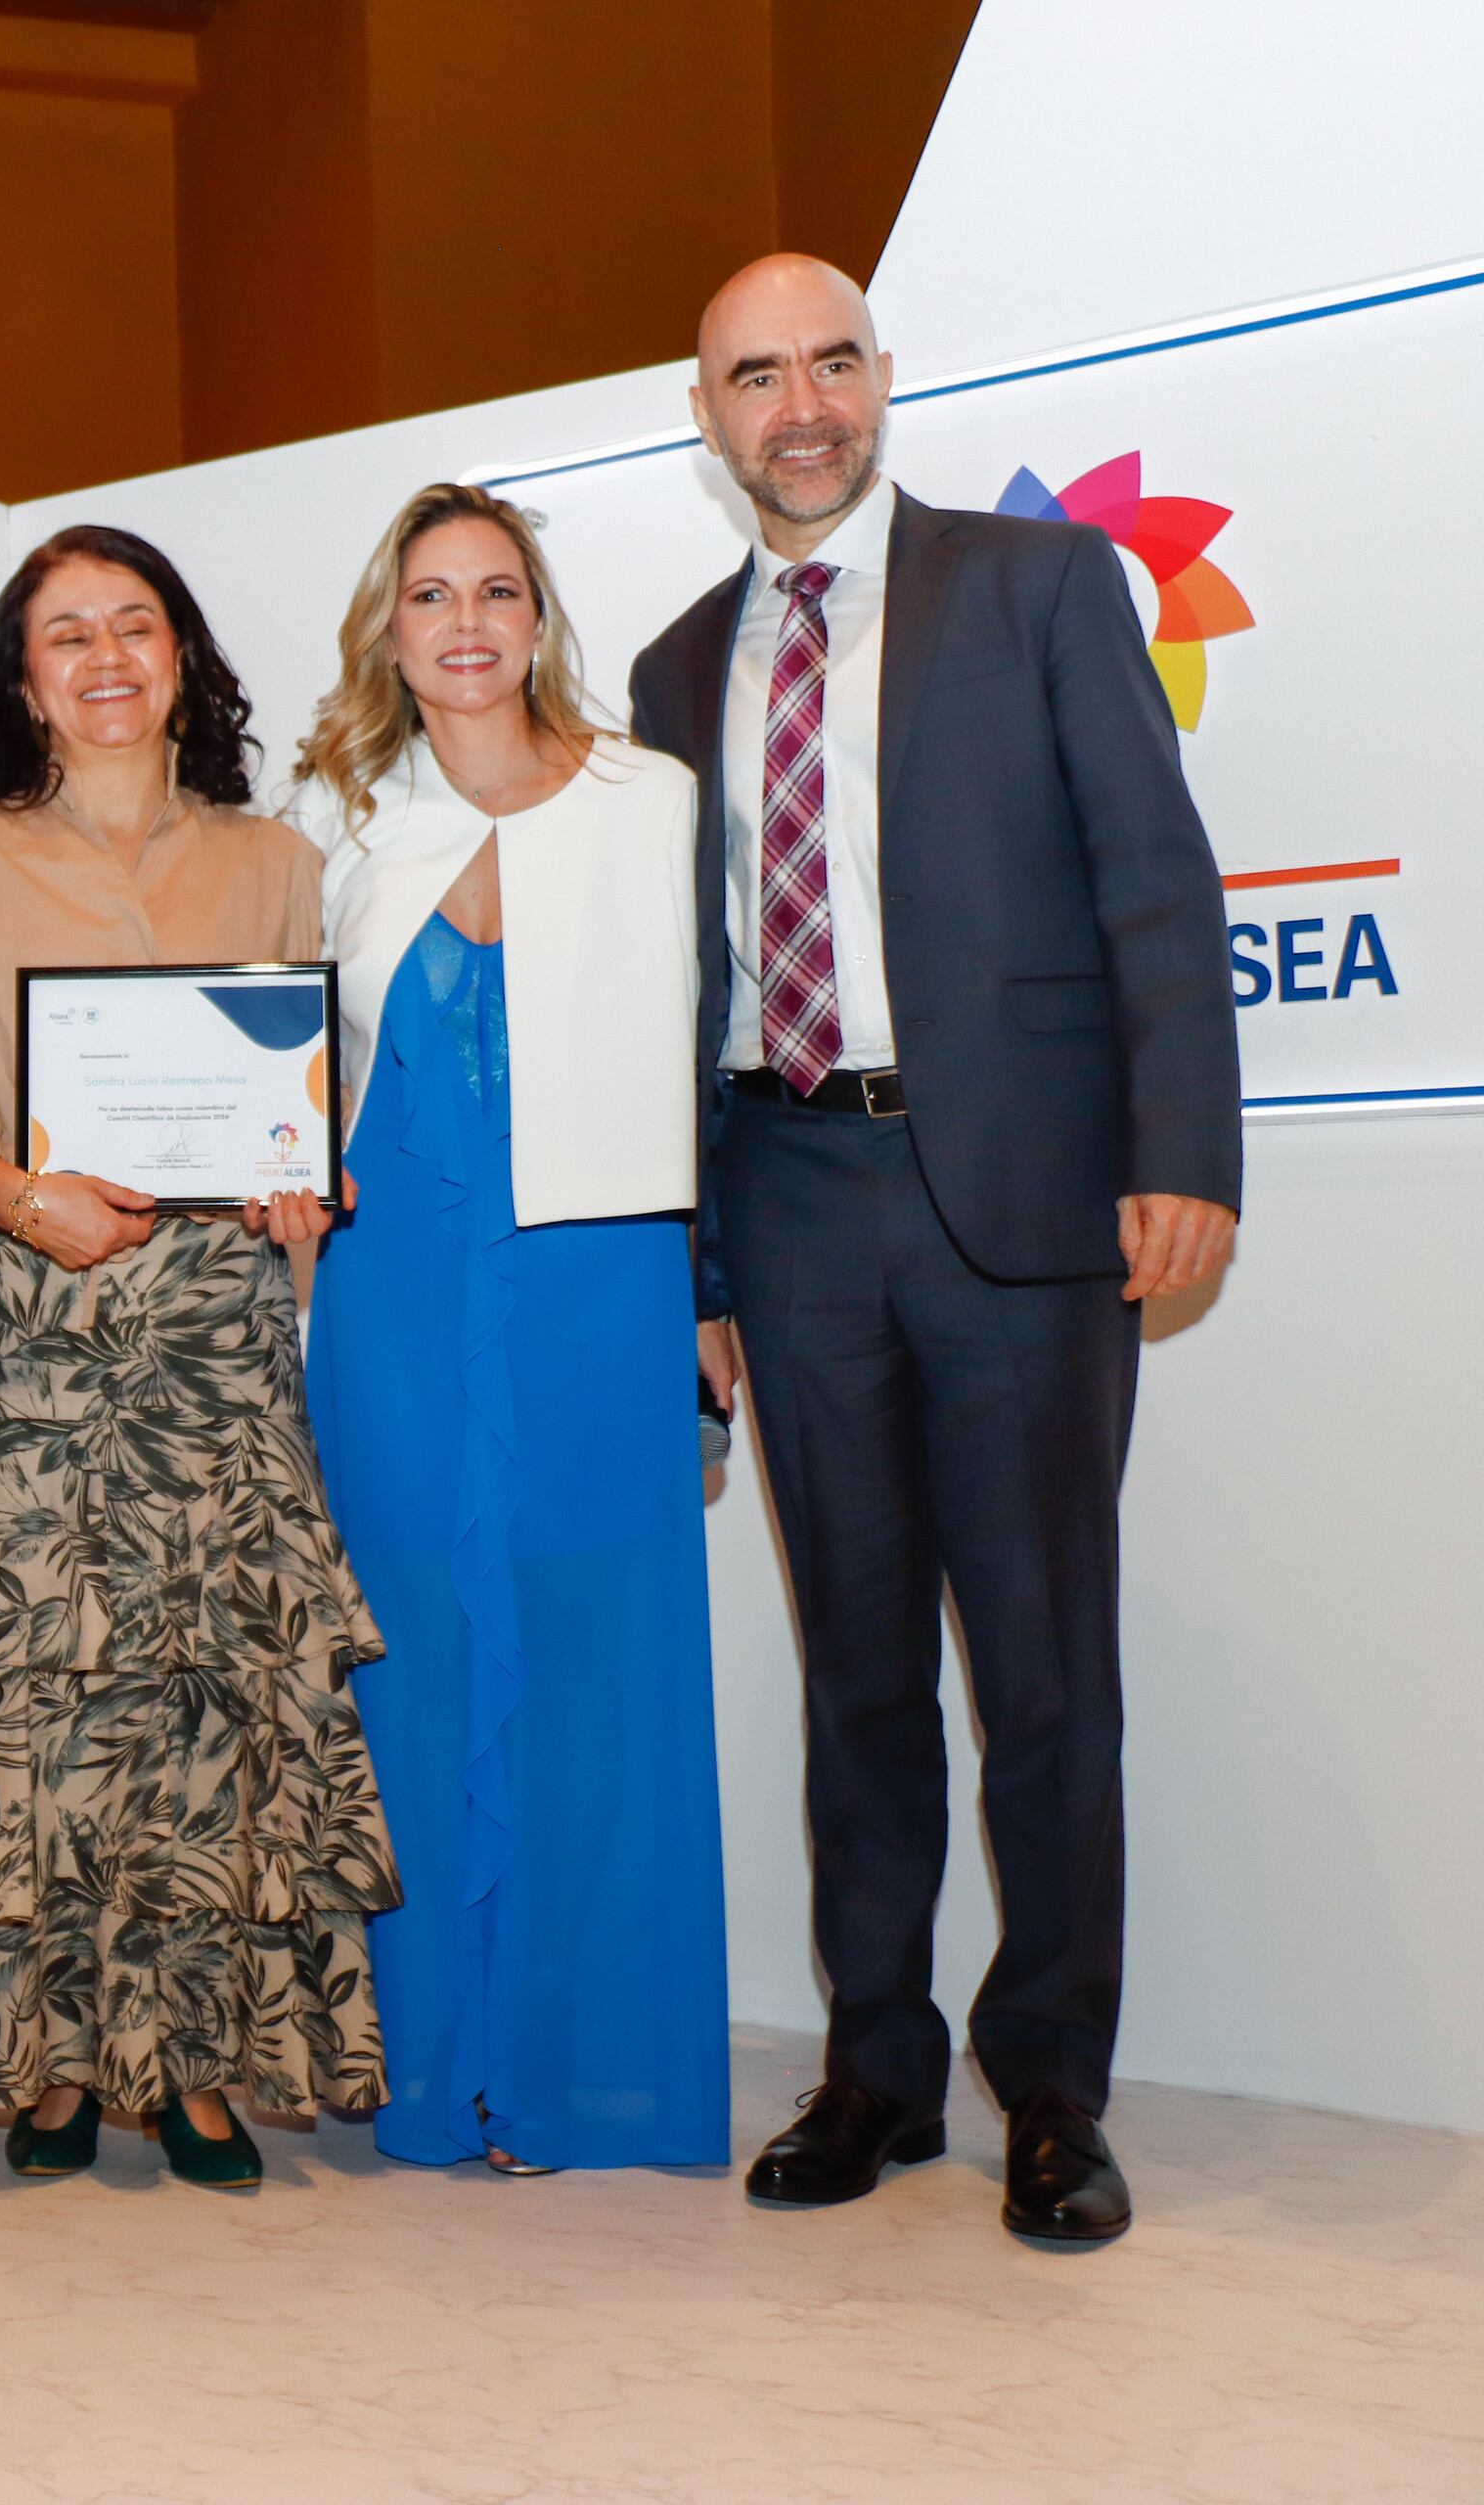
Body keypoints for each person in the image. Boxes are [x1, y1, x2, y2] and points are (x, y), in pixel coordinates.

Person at [630, 255, 1241, 2243]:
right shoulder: (670, 670)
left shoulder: (1039, 584)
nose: (800, 404)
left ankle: (1052, 2087)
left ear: (882, 376)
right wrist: (695, 1264)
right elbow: (672, 989)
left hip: (1026, 1198)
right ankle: (877, 2066)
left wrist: (1181, 1148)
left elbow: (1155, 876)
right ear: (709, 416)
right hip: (788, 1194)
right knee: (861, 1667)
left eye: (831, 362)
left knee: (1046, 1673)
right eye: (757, 375)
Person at [0, 525, 397, 2191]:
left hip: (215, 1340)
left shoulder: (275, 861)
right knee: (26, 1708)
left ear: (182, 660)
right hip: (23, 1335)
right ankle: (48, 2064)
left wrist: (305, 1181)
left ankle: (201, 2070)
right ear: (23, 681)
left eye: (132, 625)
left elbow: (304, 1091)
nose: (103, 659)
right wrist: (13, 1188)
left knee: (209, 1704)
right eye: (64, 634)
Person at [284, 484, 726, 2175]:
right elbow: (277, 1063)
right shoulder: (335, 818)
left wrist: (715, 1289)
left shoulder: (649, 796)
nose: (464, 624)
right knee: (412, 1654)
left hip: (599, 1286)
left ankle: (570, 2073)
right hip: (395, 1293)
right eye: (429, 596)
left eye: (495, 592)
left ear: (538, 620)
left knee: (596, 1669)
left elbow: (713, 1056)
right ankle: (430, 2068)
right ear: (388, 632)